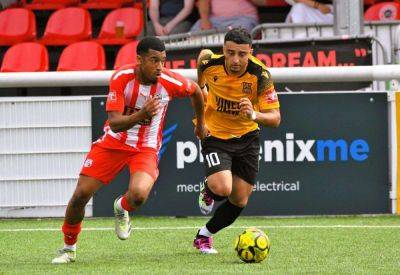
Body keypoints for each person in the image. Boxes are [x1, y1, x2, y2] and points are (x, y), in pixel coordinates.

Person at [51, 36, 207, 264]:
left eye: (163, 61)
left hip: (146, 148)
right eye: (154, 60)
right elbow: (114, 122)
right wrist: (142, 114)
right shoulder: (121, 78)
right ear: (139, 59)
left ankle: (121, 207)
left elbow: (195, 91)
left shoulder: (169, 81)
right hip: (113, 143)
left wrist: (201, 124)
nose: (160, 67)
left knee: (138, 195)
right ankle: (68, 248)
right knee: (81, 195)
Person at [192, 27, 281, 254]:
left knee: (239, 199)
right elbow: (201, 69)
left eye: (242, 54)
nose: (235, 60)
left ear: (250, 52)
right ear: (223, 50)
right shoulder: (209, 64)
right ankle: (209, 190)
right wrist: (201, 121)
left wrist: (254, 114)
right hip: (216, 136)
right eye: (230, 53)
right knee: (222, 188)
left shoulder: (260, 75)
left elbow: (275, 118)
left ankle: (204, 236)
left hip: (247, 137)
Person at [190, 0, 265, 33]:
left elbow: (263, 2)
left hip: (244, 18)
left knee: (238, 35)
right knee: (195, 31)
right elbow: (203, 2)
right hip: (216, 20)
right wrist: (205, 20)